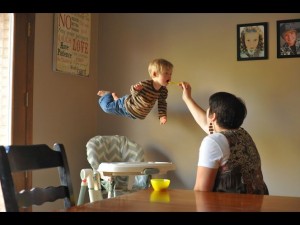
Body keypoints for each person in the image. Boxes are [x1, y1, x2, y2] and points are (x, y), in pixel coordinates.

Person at [179, 82, 269, 195]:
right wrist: (187, 99)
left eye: (209, 108)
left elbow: (201, 191)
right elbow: (208, 125)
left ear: (213, 116)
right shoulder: (242, 134)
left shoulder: (213, 142)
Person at [97, 58, 173, 125]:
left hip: (133, 114)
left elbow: (162, 103)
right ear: (155, 74)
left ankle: (116, 99)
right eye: (166, 73)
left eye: (170, 74)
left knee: (117, 108)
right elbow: (133, 93)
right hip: (127, 105)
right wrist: (136, 89)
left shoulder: (163, 91)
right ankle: (107, 95)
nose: (169, 76)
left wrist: (162, 116)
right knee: (107, 108)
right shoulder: (145, 84)